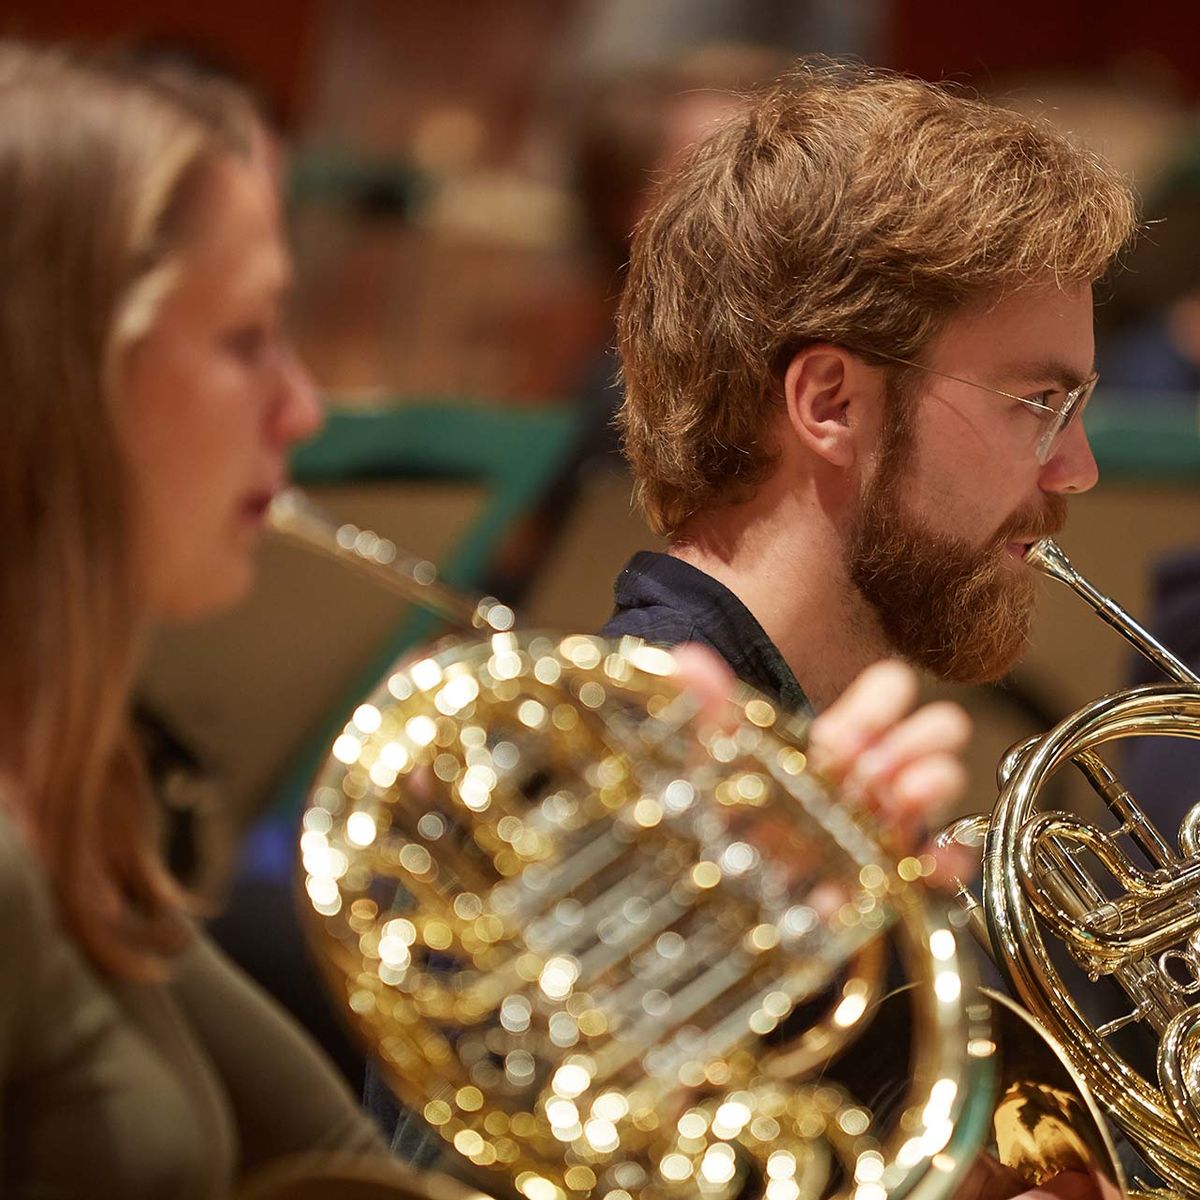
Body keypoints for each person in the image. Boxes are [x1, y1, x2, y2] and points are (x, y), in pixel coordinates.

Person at [0, 39, 978, 1199]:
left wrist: (691, 949)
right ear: (59, 366)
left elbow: (370, 1184)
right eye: (245, 340)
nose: (302, 407)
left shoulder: (84, 810)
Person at [602, 58, 1139, 1200]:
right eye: (1038, 404)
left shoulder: (817, 766)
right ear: (831, 403)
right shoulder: (603, 781)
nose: (1077, 469)